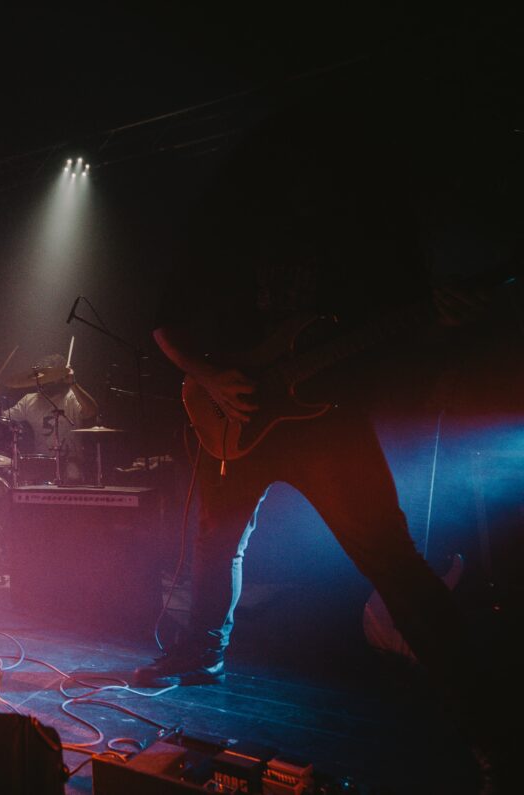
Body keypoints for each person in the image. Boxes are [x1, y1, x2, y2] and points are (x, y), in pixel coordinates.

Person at [133, 95, 509, 783]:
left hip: (327, 419)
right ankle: (200, 653)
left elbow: (405, 333)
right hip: (243, 416)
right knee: (215, 541)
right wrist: (213, 378)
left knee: (394, 564)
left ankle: (492, 731)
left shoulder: (362, 231)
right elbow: (165, 327)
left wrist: (448, 321)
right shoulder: (228, 231)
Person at [0, 354, 99, 482]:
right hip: (41, 464)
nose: (46, 381)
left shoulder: (72, 397)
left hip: (71, 463)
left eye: (51, 377)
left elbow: (91, 411)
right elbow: (3, 419)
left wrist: (73, 384)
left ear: (60, 377)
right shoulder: (29, 400)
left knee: (72, 471)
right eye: (43, 377)